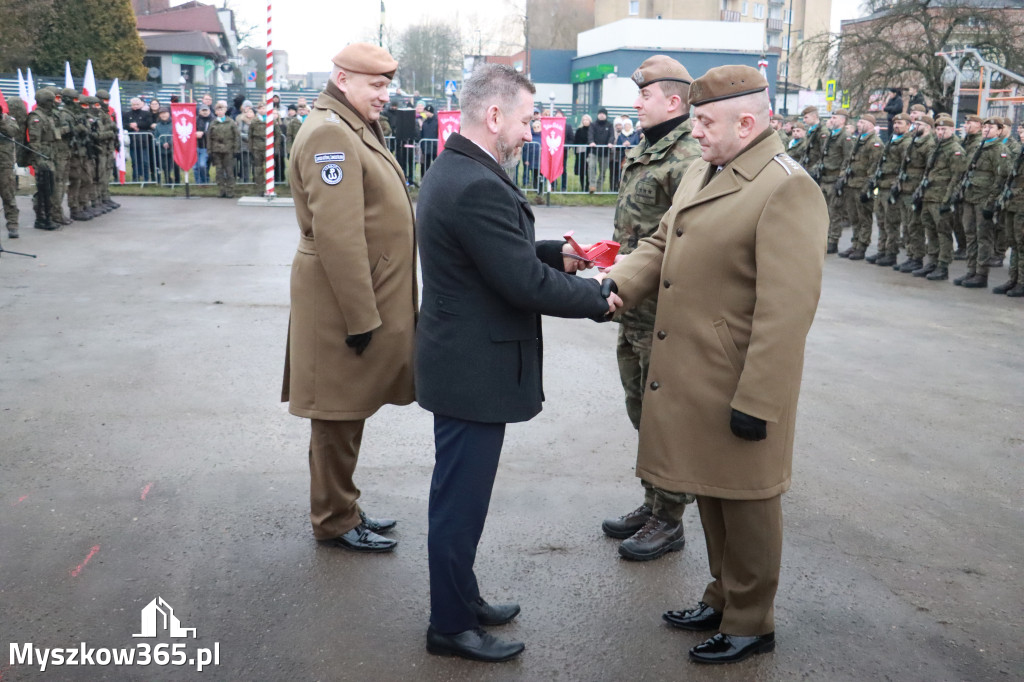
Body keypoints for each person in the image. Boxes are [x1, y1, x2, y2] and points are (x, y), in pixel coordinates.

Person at [604, 65, 827, 665]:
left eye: (703, 121)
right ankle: (722, 595)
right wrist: (612, 284)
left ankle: (752, 620)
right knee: (710, 491)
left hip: (739, 378)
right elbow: (660, 243)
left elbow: (787, 313)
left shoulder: (786, 187)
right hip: (697, 371)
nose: (693, 131)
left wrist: (759, 401)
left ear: (746, 122)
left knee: (749, 501)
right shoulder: (707, 168)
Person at [415, 63, 620, 663]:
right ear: (495, 115)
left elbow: (497, 254)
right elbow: (518, 283)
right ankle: (450, 626)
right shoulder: (476, 182)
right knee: (460, 503)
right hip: (472, 369)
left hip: (464, 363)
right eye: (528, 120)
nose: (533, 132)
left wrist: (558, 255)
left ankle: (463, 597)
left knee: (461, 499)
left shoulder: (460, 168)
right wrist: (600, 298)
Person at [282, 43, 416, 555]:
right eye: (375, 85)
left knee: (349, 409)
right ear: (342, 79)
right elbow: (338, 236)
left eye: (387, 85)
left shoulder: (348, 125)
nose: (385, 94)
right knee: (336, 414)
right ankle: (334, 518)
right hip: (341, 303)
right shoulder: (331, 135)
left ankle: (344, 506)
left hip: (350, 295)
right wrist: (362, 316)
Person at [602, 55, 702, 562]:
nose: (636, 103)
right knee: (640, 408)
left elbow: (684, 239)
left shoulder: (687, 157)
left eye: (644, 95)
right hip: (634, 304)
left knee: (664, 415)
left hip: (664, 310)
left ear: (673, 101)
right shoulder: (652, 147)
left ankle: (670, 518)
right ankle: (653, 501)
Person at [955, 117, 1009, 289]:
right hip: (970, 197)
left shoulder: (999, 149)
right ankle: (971, 270)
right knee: (970, 234)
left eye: (991, 127)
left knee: (983, 237)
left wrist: (991, 202)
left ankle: (981, 274)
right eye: (985, 127)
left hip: (984, 199)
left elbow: (1000, 178)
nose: (986, 130)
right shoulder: (980, 146)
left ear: (999, 130)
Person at [912, 114, 964, 281]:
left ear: (952, 130)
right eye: (939, 129)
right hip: (929, 196)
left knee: (943, 233)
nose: (940, 132)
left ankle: (943, 266)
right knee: (930, 230)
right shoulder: (935, 147)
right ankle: (932, 261)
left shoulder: (955, 150)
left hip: (941, 198)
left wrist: (947, 200)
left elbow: (956, 178)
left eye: (944, 129)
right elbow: (928, 172)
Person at [837, 113, 884, 260]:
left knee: (864, 218)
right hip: (851, 183)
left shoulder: (875, 143)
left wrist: (867, 189)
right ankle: (855, 243)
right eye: (859, 122)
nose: (858, 124)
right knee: (854, 217)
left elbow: (874, 167)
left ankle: (862, 246)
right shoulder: (858, 140)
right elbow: (849, 161)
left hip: (862, 185)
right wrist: (843, 176)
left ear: (870, 125)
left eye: (862, 122)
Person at [27, 89, 59, 231]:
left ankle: (48, 217)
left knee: (50, 188)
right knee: (43, 189)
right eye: (50, 101)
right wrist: (39, 159)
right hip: (42, 157)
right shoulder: (36, 117)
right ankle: (41, 218)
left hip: (50, 155)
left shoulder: (48, 116)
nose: (53, 104)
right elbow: (34, 141)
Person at [207, 101, 240, 198]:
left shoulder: (231, 122)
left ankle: (230, 190)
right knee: (219, 171)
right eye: (218, 109)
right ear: (215, 111)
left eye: (222, 109)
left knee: (229, 171)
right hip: (216, 150)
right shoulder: (213, 123)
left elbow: (236, 136)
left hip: (228, 150)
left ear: (225, 110)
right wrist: (209, 150)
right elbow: (209, 138)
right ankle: (221, 190)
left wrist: (236, 149)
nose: (220, 111)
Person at [1, 105, 20, 238]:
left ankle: (12, 225)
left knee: (8, 196)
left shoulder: (9, 119)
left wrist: (1, 121)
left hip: (4, 165)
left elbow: (13, 131)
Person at [125, 97, 153, 182]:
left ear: (140, 104)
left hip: (144, 141)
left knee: (145, 161)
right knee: (134, 161)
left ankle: (146, 178)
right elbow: (124, 124)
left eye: (137, 104)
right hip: (132, 142)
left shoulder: (146, 113)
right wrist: (130, 126)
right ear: (131, 105)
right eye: (134, 104)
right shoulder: (127, 114)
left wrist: (137, 124)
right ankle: (135, 178)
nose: (135, 106)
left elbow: (148, 123)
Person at [588, 107, 615, 192]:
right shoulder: (593, 125)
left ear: (606, 115)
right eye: (600, 113)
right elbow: (590, 134)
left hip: (605, 152)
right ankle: (592, 185)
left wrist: (610, 142)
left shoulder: (610, 125)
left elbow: (612, 135)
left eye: (603, 114)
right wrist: (591, 141)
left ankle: (599, 188)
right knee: (591, 167)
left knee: (603, 172)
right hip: (594, 151)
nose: (601, 115)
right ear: (598, 115)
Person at [195, 103, 213, 184]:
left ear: (209, 111)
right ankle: (198, 182)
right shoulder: (195, 120)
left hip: (206, 146)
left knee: (202, 165)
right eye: (203, 110)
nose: (205, 112)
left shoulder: (213, 120)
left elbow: (213, 132)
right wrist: (195, 133)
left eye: (206, 110)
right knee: (195, 167)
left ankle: (205, 181)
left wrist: (203, 133)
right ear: (199, 111)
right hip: (195, 146)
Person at [573, 113, 591, 190]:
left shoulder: (592, 130)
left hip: (589, 153)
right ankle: (582, 186)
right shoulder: (579, 130)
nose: (585, 121)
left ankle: (588, 185)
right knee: (581, 170)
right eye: (584, 119)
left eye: (587, 119)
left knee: (588, 170)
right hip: (580, 152)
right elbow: (575, 141)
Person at [420, 103, 438, 177]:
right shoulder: (424, 122)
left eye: (427, 112)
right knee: (425, 165)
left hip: (434, 147)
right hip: (426, 147)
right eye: (425, 112)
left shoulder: (437, 122)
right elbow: (422, 134)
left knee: (437, 164)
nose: (426, 113)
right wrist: (422, 146)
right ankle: (424, 178)